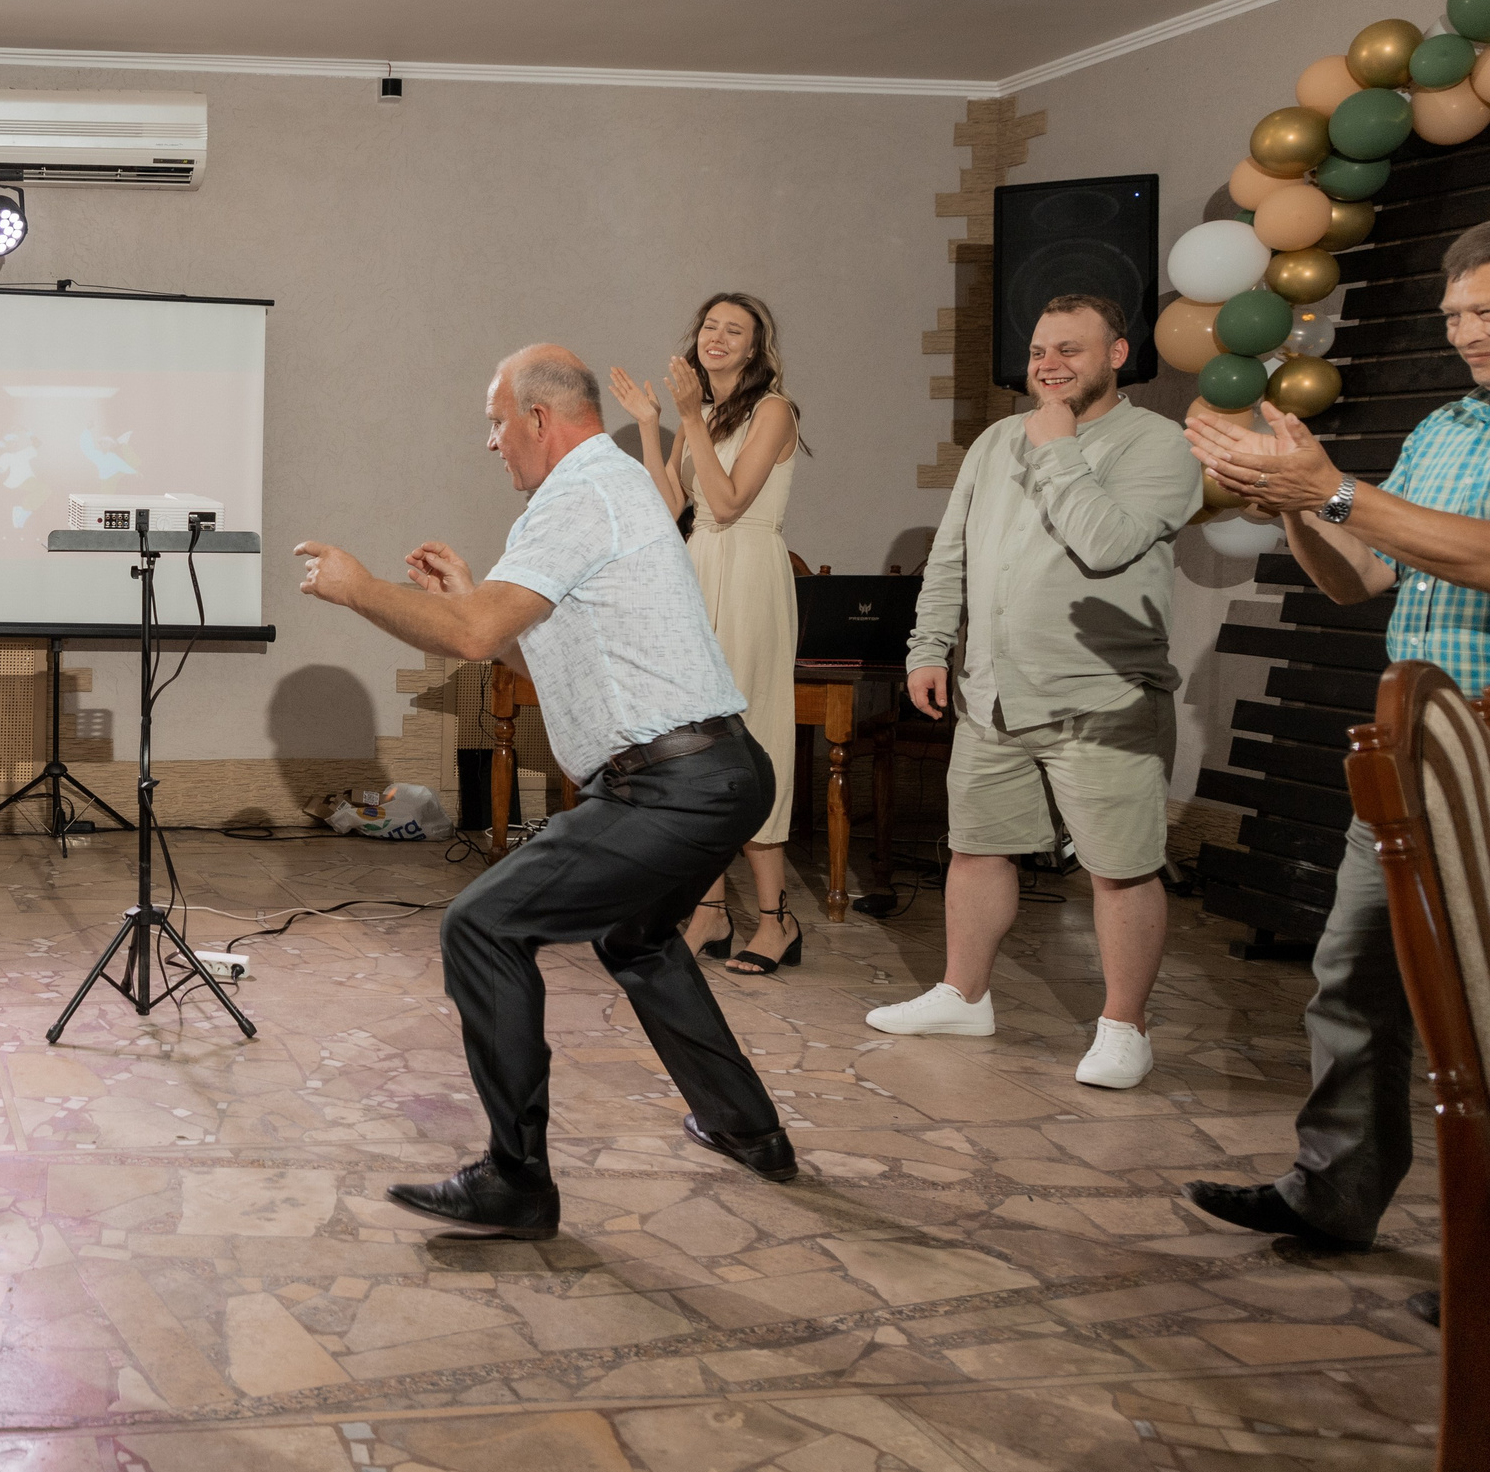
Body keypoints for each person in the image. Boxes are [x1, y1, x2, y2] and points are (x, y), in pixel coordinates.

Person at [295, 343, 795, 1241]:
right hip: (717, 771)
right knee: (637, 937)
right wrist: (473, 603)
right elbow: (517, 641)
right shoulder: (611, 487)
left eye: (496, 421)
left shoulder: (575, 493)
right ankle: (747, 1126)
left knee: (481, 923)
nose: (491, 442)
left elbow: (475, 631)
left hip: (671, 785)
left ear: (538, 418)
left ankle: (515, 1179)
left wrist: (360, 589)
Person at [1177, 222, 1490, 1300]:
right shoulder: (1443, 425)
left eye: (1484, 312)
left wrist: (1334, 490)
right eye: (1453, 314)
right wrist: (1289, 508)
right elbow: (1357, 576)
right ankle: (1334, 1191)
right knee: (1353, 977)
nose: (1464, 333)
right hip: (1408, 755)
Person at [873, 293, 1201, 1090]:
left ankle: (1125, 1026)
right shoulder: (993, 441)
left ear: (1117, 355)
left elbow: (1108, 543)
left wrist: (1058, 448)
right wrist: (927, 646)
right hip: (992, 694)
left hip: (1103, 695)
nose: (1048, 366)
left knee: (1120, 867)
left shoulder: (1161, 445)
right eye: (1039, 352)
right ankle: (964, 993)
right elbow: (950, 551)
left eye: (1069, 350)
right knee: (977, 848)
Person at [613, 292, 805, 975]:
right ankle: (711, 910)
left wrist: (690, 417)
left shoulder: (773, 410)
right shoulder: (707, 416)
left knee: (753, 735)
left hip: (750, 572)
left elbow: (727, 503)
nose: (718, 337)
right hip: (697, 572)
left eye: (735, 330)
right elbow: (676, 506)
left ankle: (777, 919)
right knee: (697, 746)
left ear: (755, 348)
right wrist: (651, 425)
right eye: (710, 326)